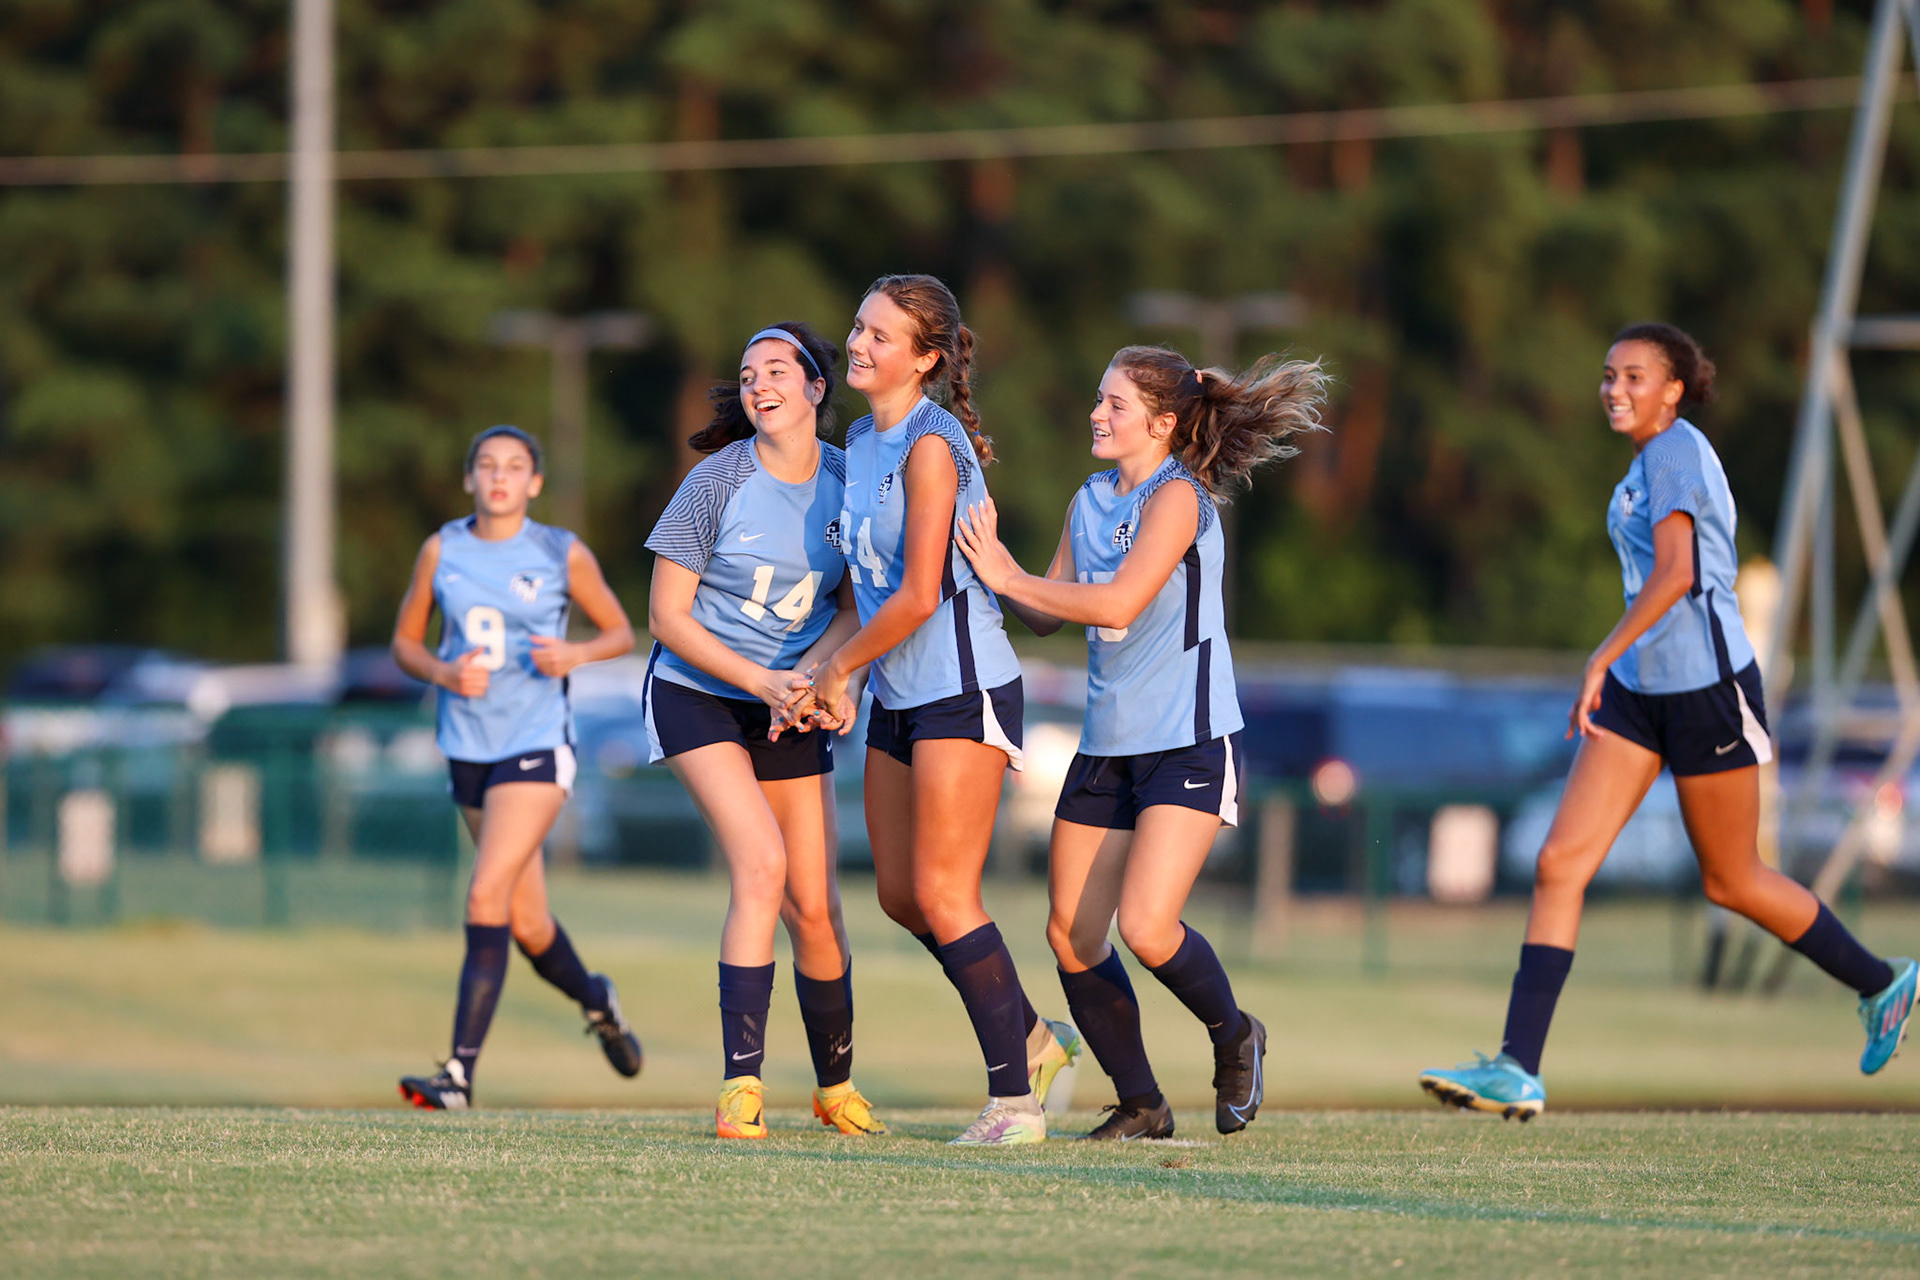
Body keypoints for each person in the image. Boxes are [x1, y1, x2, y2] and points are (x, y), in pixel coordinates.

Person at [1419, 323, 1917, 1120]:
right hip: (1640, 692)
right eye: (1609, 375)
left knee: (1732, 879)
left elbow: (1680, 574)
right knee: (1558, 864)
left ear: (1675, 389)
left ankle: (1881, 980)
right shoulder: (1643, 463)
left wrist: (1598, 656)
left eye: (1635, 376)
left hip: (1707, 692)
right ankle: (1519, 1066)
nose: (1616, 389)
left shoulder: (1676, 449)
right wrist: (1614, 666)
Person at [955, 345, 1326, 1140]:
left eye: (1116, 404)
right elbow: (1052, 610)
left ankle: (1236, 1037)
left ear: (1162, 424)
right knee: (1071, 934)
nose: (1098, 413)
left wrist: (1009, 576)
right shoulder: (1089, 498)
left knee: (1148, 927)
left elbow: (1119, 600)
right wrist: (985, 569)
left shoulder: (1179, 501)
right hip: (1107, 744)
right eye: (1099, 398)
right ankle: (1142, 1104)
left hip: (1188, 741)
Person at [809, 274, 1079, 1146]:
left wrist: (838, 671)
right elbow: (865, 587)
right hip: (897, 692)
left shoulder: (934, 443)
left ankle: (1016, 1100)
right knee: (898, 895)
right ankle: (1035, 1038)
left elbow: (921, 593)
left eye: (881, 336)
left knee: (944, 890)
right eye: (858, 327)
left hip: (965, 686)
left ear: (925, 359)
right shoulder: (856, 437)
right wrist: (827, 668)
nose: (859, 343)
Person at [644, 322, 886, 1140]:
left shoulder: (853, 484)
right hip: (699, 693)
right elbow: (665, 617)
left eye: (777, 371)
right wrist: (762, 682)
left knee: (814, 908)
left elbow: (858, 605)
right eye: (747, 376)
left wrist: (826, 674)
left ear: (817, 388)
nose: (758, 386)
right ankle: (740, 1088)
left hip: (792, 699)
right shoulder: (715, 482)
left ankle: (835, 1089)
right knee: (762, 865)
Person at [393, 425, 642, 1110]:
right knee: (528, 924)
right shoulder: (442, 549)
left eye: (515, 467)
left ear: (534, 483)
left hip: (536, 747)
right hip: (467, 747)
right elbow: (404, 644)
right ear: (469, 477)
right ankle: (599, 1002)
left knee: (483, 897)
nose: (500, 477)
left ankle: (458, 1077)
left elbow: (620, 631)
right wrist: (443, 671)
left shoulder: (560, 551)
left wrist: (576, 655)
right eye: (487, 466)